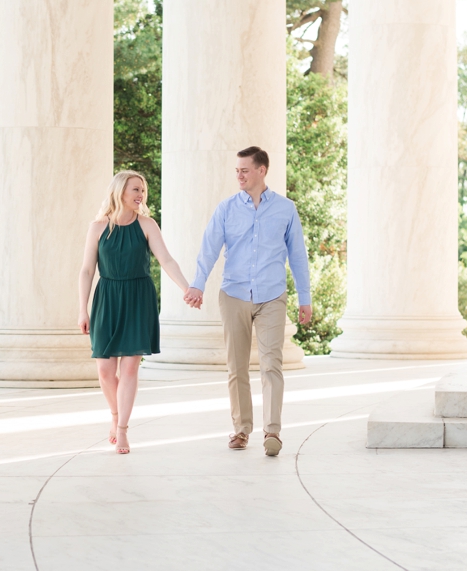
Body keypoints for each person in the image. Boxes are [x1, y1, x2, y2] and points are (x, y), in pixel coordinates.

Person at [184, 147, 312, 457]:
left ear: (261, 170)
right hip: (234, 295)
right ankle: (241, 430)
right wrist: (197, 285)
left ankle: (273, 431)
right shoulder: (226, 209)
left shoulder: (285, 209)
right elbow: (209, 249)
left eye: (245, 170)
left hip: (272, 296)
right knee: (237, 367)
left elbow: (297, 256)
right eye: (237, 170)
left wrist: (304, 298)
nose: (239, 175)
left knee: (272, 365)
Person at [78, 170, 192, 454]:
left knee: (129, 367)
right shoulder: (98, 227)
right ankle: (115, 415)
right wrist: (83, 309)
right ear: (120, 192)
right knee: (105, 370)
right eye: (135, 190)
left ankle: (122, 429)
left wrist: (186, 288)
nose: (141, 195)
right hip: (107, 298)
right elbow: (87, 270)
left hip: (138, 297)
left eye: (142, 190)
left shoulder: (147, 224)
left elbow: (166, 260)